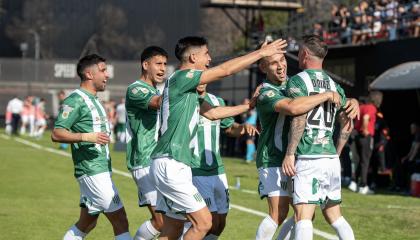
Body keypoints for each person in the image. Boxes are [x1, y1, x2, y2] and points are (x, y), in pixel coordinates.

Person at [150, 36, 287, 240]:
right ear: (193, 56)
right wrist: (260, 53)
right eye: (206, 53)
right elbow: (226, 71)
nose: (210, 59)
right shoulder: (182, 77)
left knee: (172, 228)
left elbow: (213, 113)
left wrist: (249, 106)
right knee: (205, 222)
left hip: (172, 162)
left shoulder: (186, 87)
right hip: (171, 163)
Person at [255, 48, 358, 240]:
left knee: (303, 213)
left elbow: (332, 97)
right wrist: (327, 94)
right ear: (263, 67)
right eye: (273, 63)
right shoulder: (266, 93)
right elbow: (294, 107)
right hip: (275, 158)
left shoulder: (294, 83)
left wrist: (353, 101)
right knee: (279, 213)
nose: (281, 66)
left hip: (297, 156)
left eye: (282, 60)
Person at [282, 35, 356, 240]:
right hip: (330, 158)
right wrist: (337, 152)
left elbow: (299, 117)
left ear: (305, 54)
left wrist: (290, 153)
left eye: (298, 53)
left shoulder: (299, 80)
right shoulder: (334, 85)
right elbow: (347, 122)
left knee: (303, 216)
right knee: (335, 216)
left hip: (309, 157)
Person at [51, 54, 132, 240]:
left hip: (100, 168)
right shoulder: (75, 100)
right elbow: (57, 133)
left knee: (87, 223)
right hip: (92, 170)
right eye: (103, 70)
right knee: (120, 220)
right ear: (89, 74)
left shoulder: (95, 99)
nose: (107, 75)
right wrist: (88, 136)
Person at [189, 83, 259, 239]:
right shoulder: (187, 99)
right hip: (195, 169)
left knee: (221, 222)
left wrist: (242, 127)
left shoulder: (217, 100)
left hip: (218, 170)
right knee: (208, 220)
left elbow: (229, 128)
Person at [125, 46, 168, 240]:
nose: (163, 68)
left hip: (159, 161)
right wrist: (182, 87)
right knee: (161, 222)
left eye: (165, 64)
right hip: (143, 161)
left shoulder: (154, 89)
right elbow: (158, 102)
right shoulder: (136, 89)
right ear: (145, 64)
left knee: (174, 220)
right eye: (158, 63)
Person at [349, 91, 383, 194]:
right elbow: (365, 118)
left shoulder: (362, 106)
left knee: (358, 160)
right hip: (365, 136)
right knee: (365, 161)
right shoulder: (372, 108)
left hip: (357, 135)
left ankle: (354, 183)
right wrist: (365, 130)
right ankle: (363, 185)